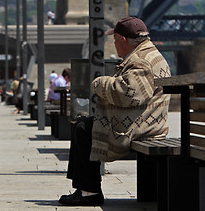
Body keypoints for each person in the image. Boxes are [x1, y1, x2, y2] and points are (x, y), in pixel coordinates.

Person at [58, 17, 171, 206]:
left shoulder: (140, 61)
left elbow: (129, 93)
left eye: (115, 41)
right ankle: (85, 189)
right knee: (83, 125)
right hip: (148, 121)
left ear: (124, 41)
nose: (115, 46)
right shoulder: (150, 54)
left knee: (83, 129)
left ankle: (89, 192)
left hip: (142, 127)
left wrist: (99, 83)